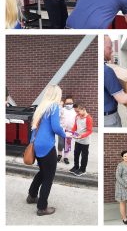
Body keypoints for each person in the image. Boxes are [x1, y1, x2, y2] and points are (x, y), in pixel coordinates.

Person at [27, 85, 67, 216]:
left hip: (37, 144)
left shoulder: (41, 107)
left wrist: (33, 141)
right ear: (56, 95)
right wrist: (65, 134)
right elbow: (56, 127)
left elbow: (34, 128)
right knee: (48, 177)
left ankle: (32, 196)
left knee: (42, 172)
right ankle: (42, 207)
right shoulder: (54, 107)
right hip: (47, 145)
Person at [69, 102, 93, 176]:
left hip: (85, 142)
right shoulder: (77, 117)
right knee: (76, 154)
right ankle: (76, 166)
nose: (77, 113)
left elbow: (89, 131)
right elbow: (75, 126)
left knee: (84, 156)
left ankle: (83, 169)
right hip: (77, 140)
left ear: (84, 109)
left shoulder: (88, 118)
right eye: (75, 111)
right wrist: (71, 132)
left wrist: (81, 136)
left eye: (78, 111)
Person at [57, 95, 76, 164]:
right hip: (62, 129)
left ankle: (66, 157)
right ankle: (59, 155)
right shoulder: (62, 109)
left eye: (70, 103)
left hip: (70, 130)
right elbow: (58, 116)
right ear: (65, 103)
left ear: (73, 103)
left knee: (67, 144)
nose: (69, 104)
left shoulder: (74, 111)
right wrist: (60, 106)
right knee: (60, 143)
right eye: (67, 103)